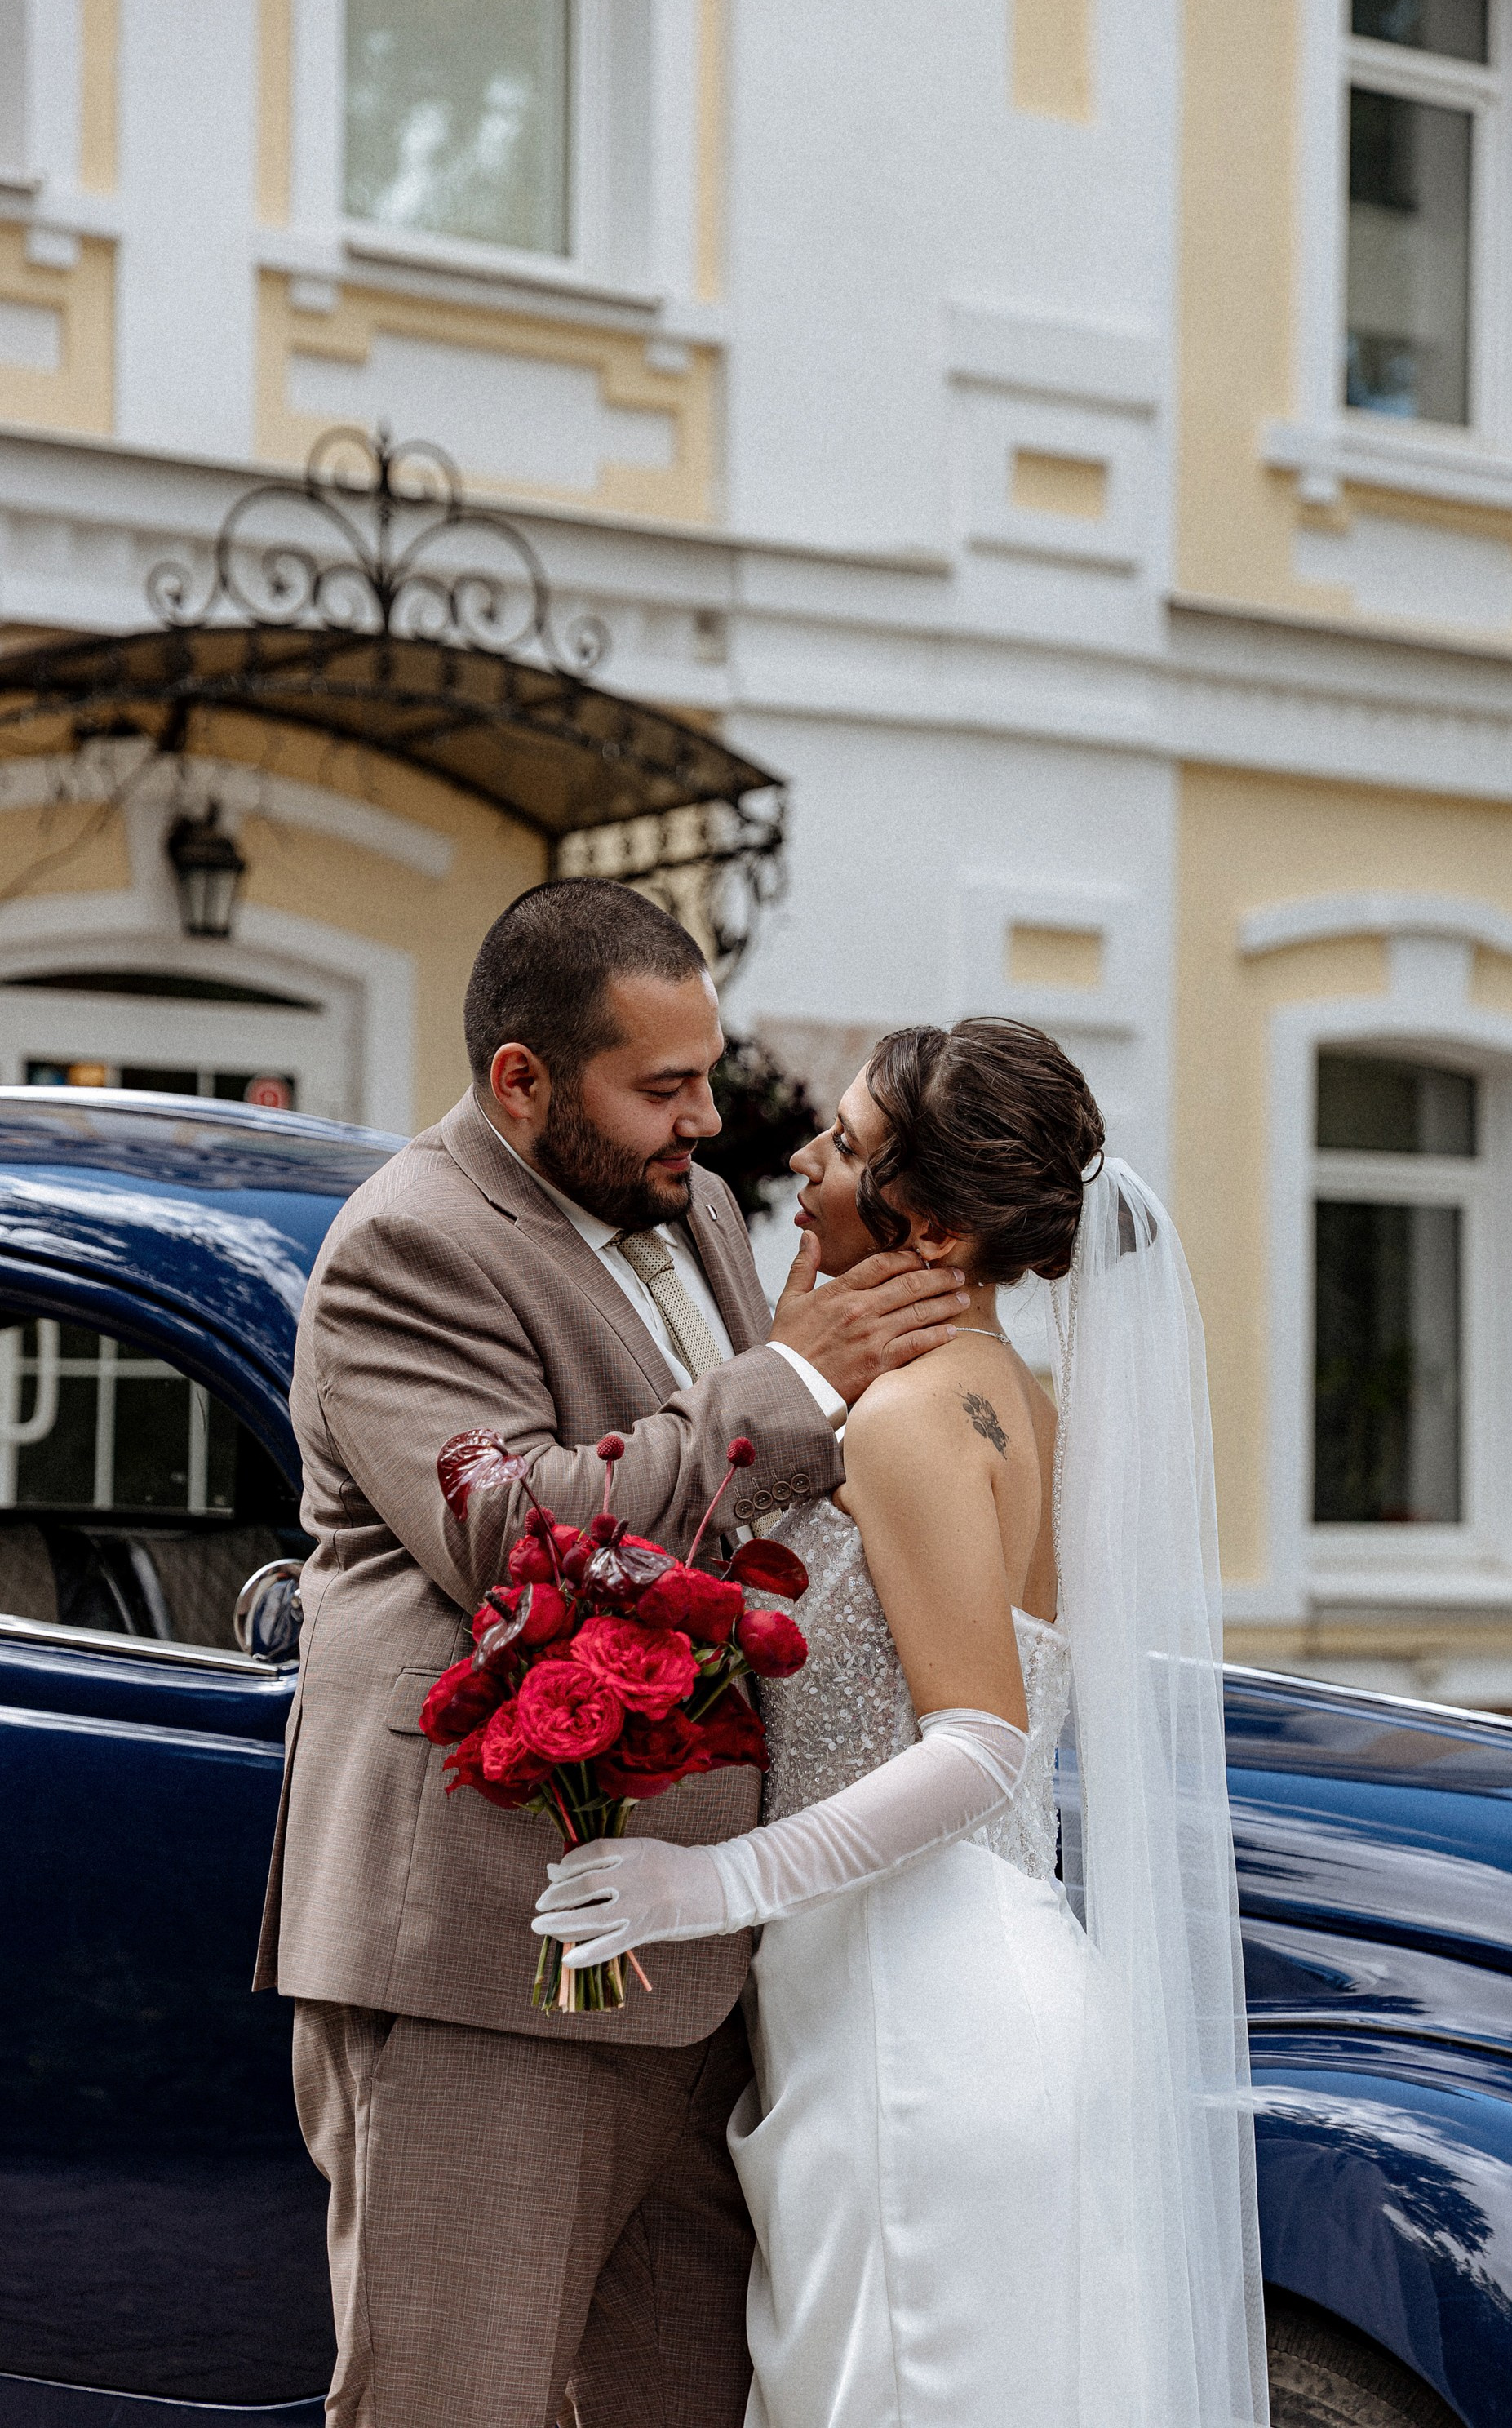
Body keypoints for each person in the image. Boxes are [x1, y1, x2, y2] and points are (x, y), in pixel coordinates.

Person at [253, 880, 973, 2428]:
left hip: (710, 1963)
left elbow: (743, 1519)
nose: (705, 1121)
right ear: (522, 1080)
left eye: (706, 1075)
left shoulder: (689, 1205)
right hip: (491, 1952)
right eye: (662, 1087)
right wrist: (791, 1379)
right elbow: (515, 1534)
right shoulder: (407, 1246)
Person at [537, 1018, 1270, 2427]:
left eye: (849, 1144)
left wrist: (708, 1884)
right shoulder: (1018, 1405)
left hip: (919, 2028)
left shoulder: (914, 1421)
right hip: (973, 1991)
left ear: (932, 1229)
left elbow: (982, 1743)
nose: (808, 1161)